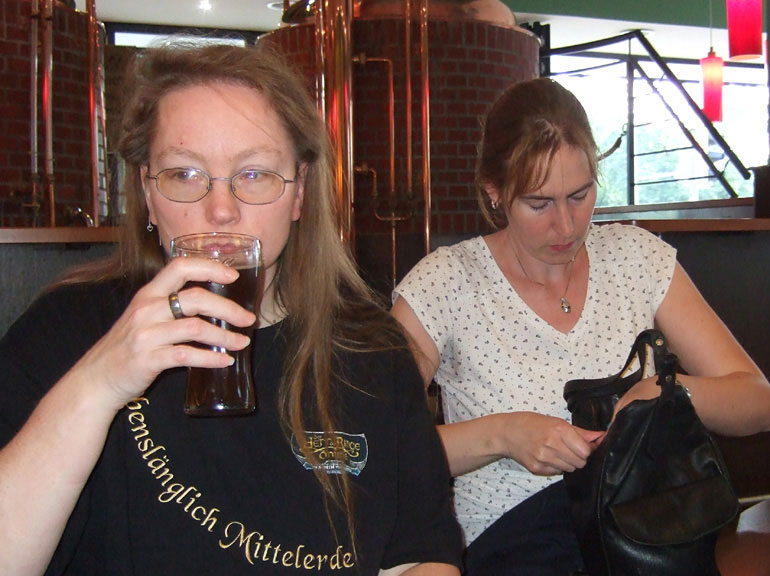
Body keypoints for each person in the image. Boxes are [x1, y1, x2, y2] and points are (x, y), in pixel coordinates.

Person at [0, 43, 462, 576]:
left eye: (254, 174)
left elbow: (421, 555)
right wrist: (99, 383)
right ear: (148, 194)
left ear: (299, 194)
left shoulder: (371, 348)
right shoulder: (68, 330)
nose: (221, 210)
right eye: (184, 174)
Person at [391, 77, 770, 575]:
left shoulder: (635, 258)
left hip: (643, 534)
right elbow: (376, 444)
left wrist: (667, 392)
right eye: (539, 203)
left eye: (580, 194)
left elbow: (757, 400)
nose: (567, 226)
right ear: (494, 192)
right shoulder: (447, 283)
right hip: (514, 546)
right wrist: (503, 435)